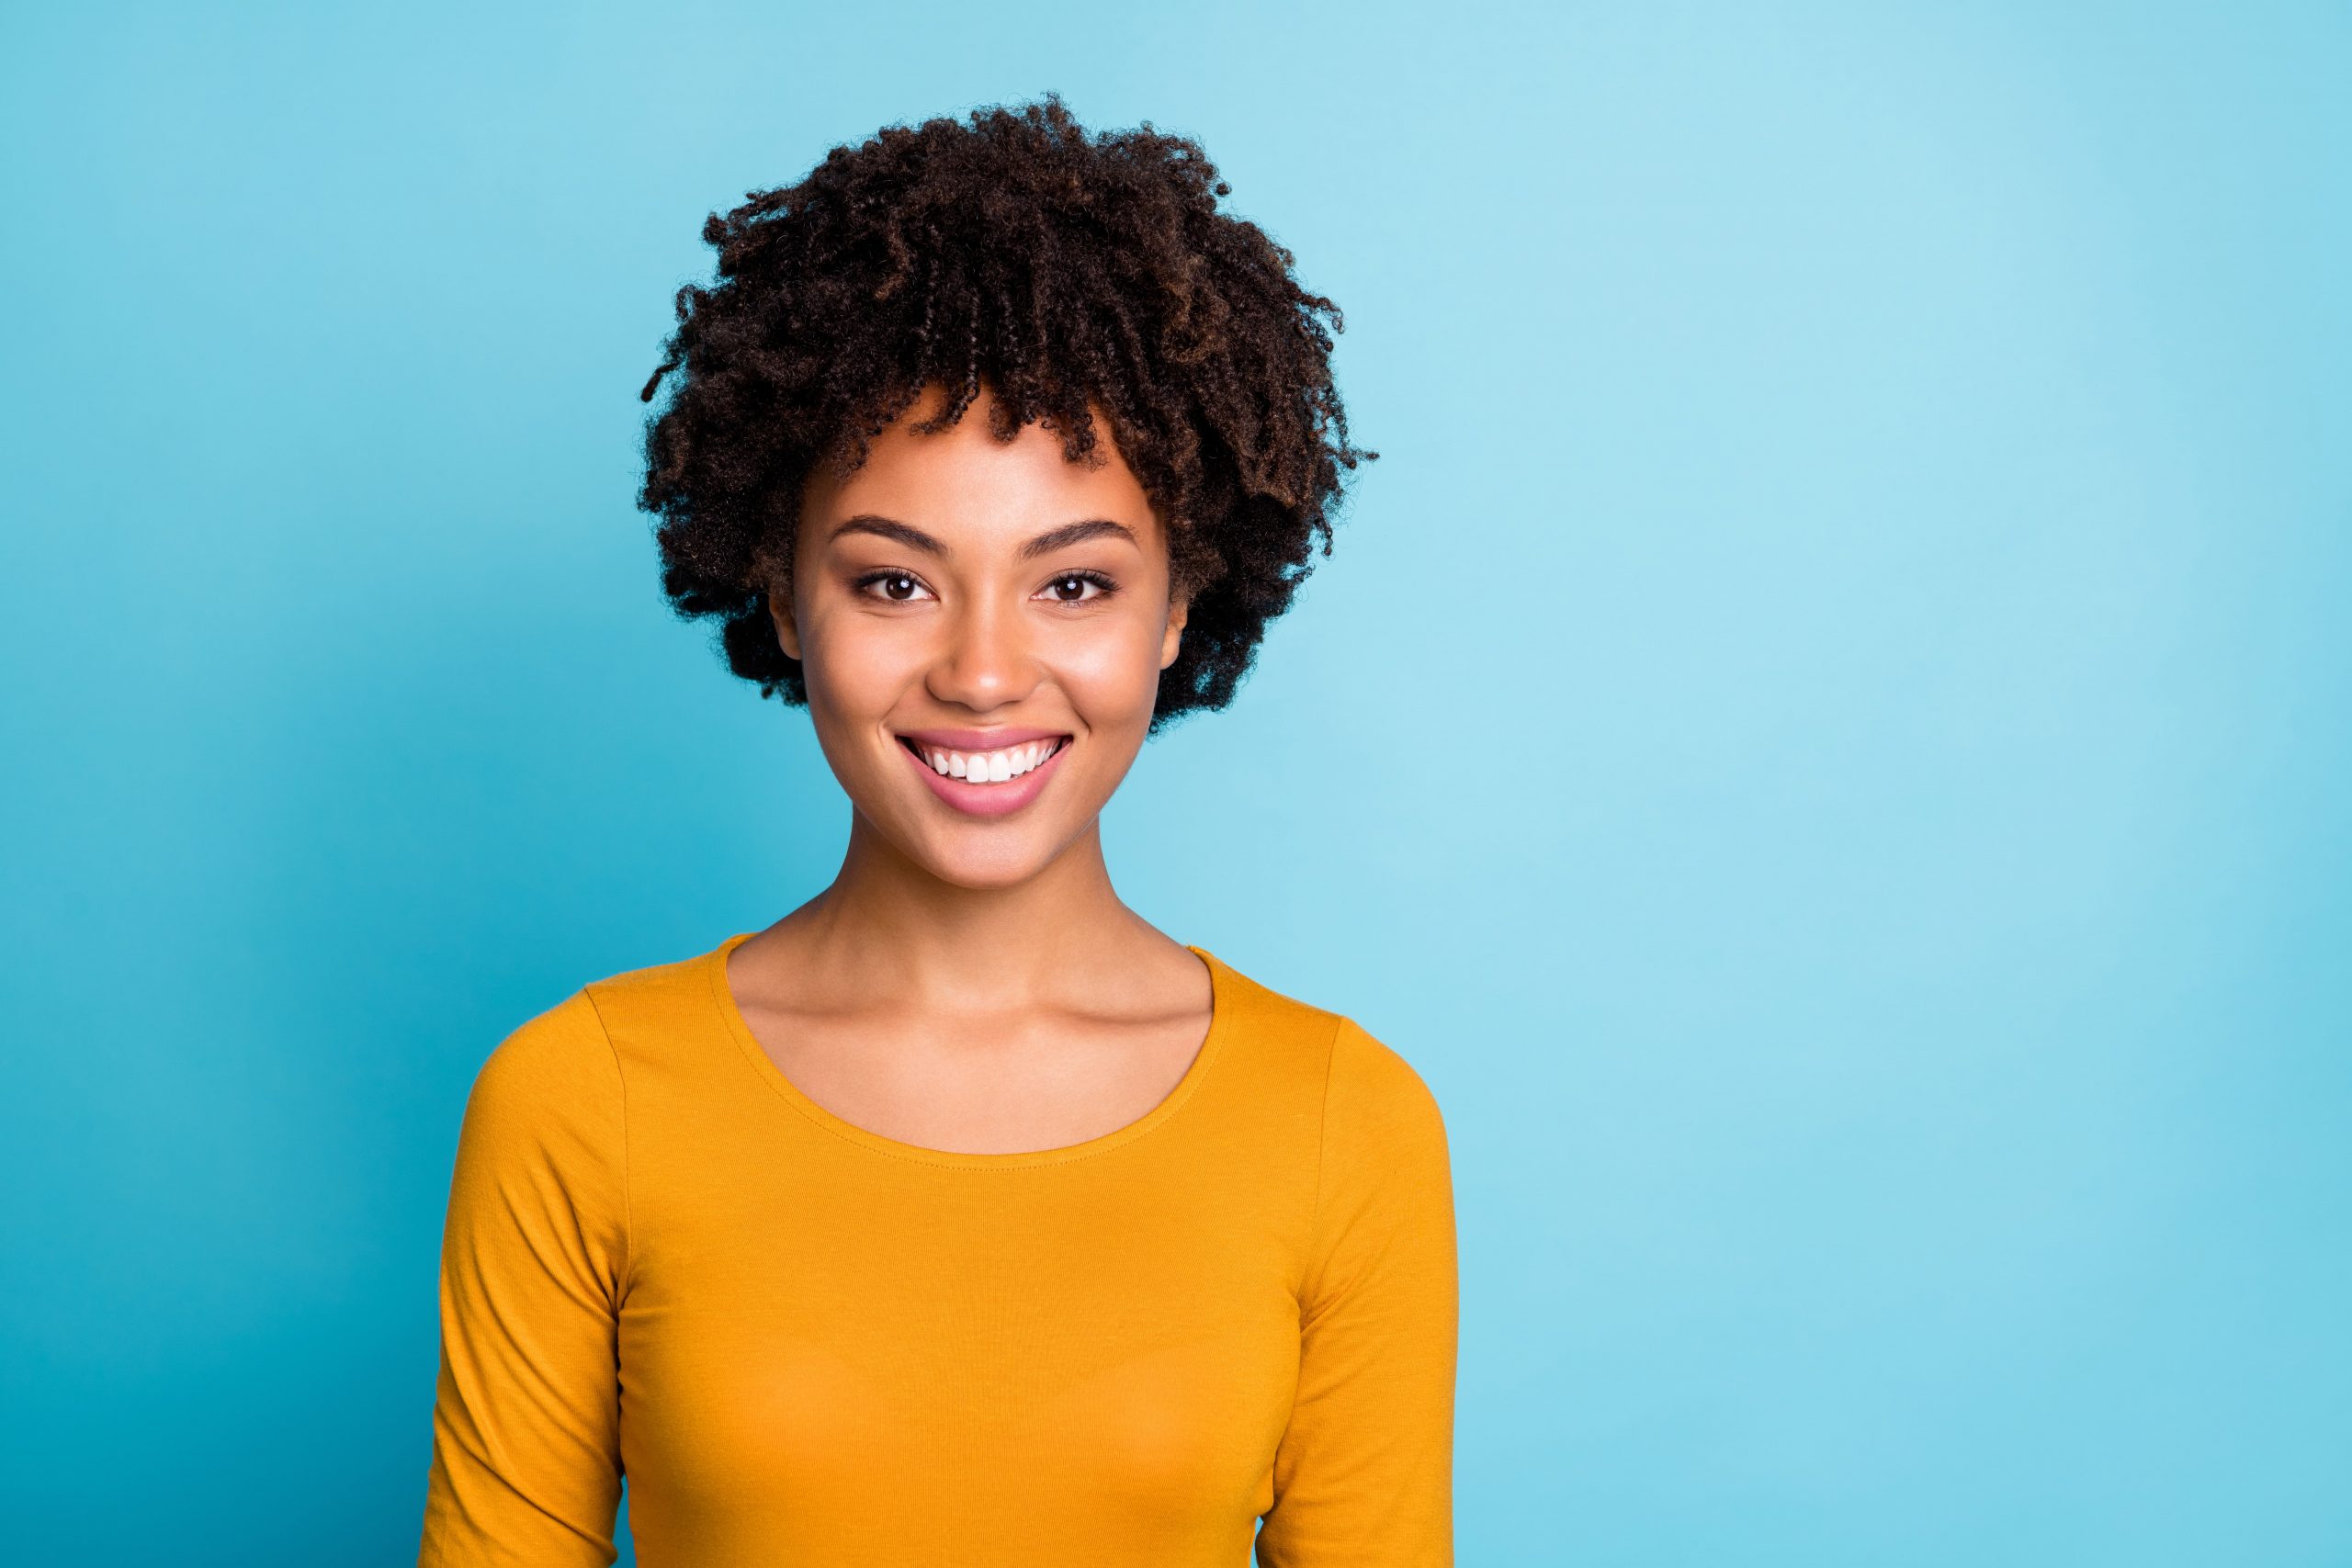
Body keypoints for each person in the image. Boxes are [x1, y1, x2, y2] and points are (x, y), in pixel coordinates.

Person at [416, 96, 1457, 1568]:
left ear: (1178, 608)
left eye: (1075, 585)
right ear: (785, 600)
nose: (980, 672)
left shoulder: (1348, 1128)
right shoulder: (581, 1104)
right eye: (895, 583)